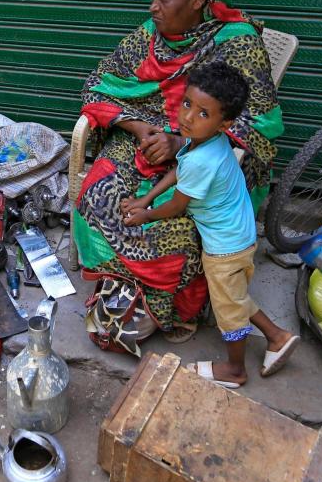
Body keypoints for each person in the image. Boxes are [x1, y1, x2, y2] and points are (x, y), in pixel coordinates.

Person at [73, 0, 284, 341]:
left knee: (179, 227)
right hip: (146, 133)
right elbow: (98, 82)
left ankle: (163, 303)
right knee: (98, 191)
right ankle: (121, 281)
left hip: (207, 151)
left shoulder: (236, 43)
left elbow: (262, 120)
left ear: (199, 0)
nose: (153, 8)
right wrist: (139, 129)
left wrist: (181, 139)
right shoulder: (149, 35)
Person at [122, 63, 298, 385]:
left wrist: (145, 215)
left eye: (203, 113)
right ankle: (277, 336)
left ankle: (235, 369)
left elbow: (177, 204)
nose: (188, 117)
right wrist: (146, 200)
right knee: (234, 296)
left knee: (228, 310)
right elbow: (180, 169)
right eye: (187, 103)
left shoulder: (204, 157)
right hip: (238, 233)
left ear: (225, 123)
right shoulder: (203, 141)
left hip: (225, 247)